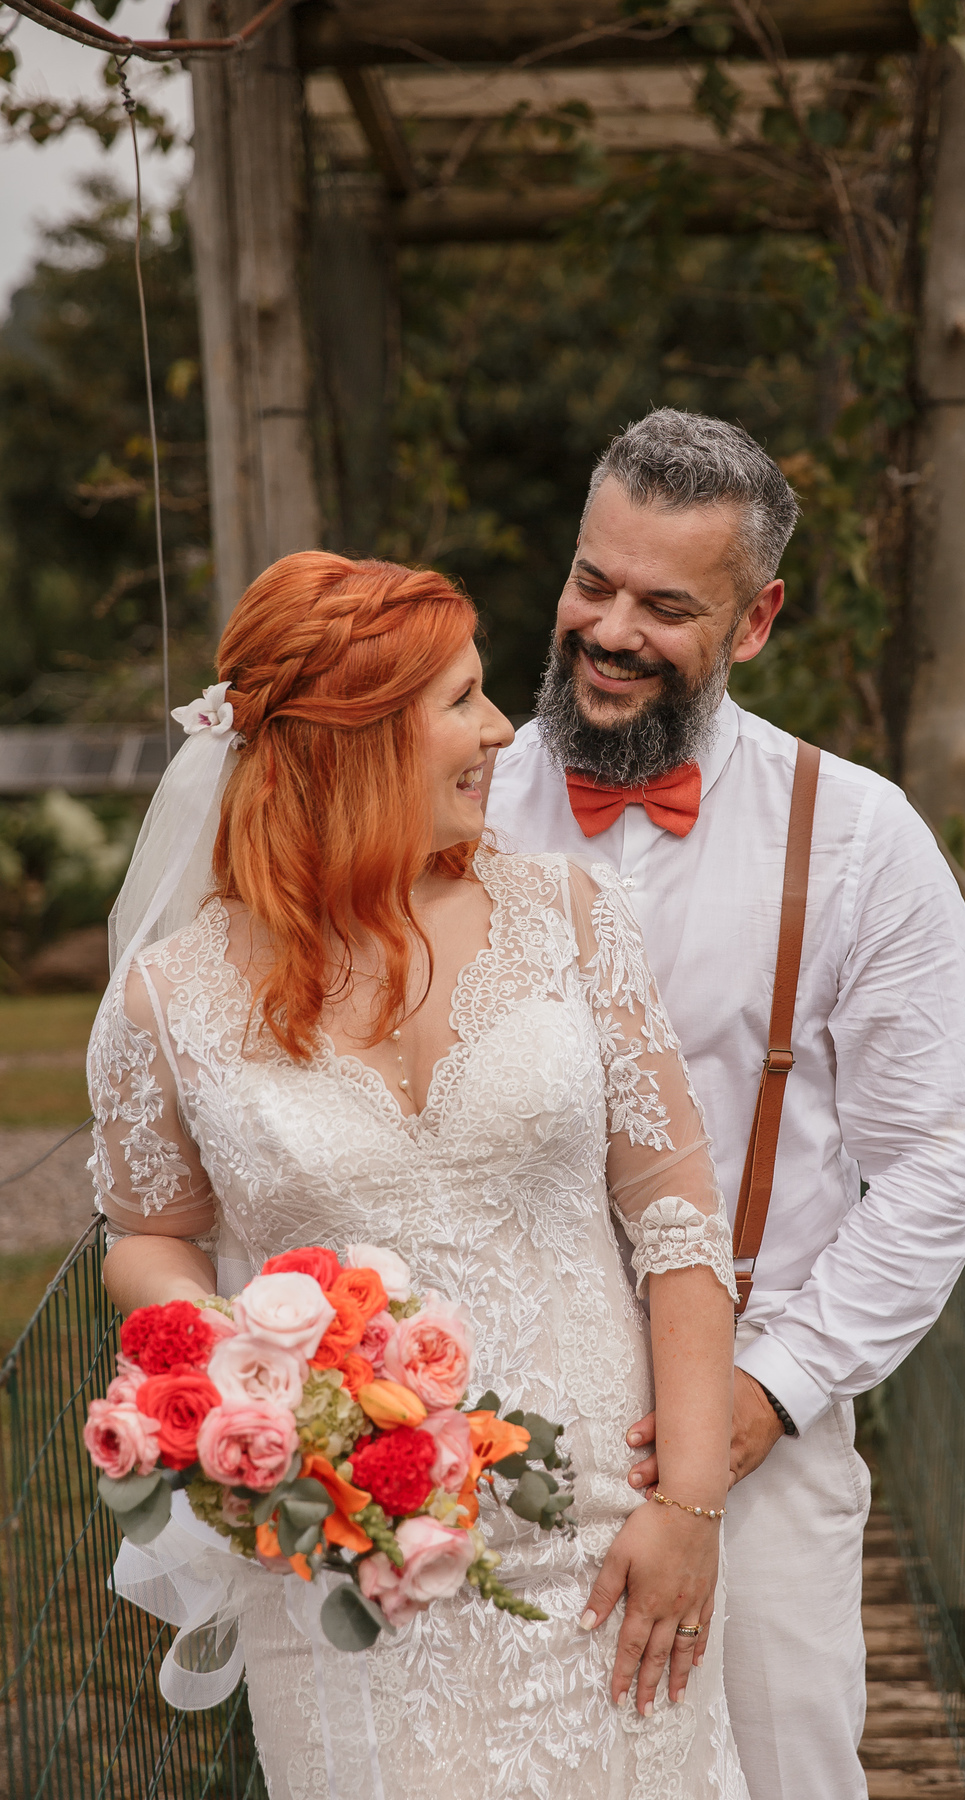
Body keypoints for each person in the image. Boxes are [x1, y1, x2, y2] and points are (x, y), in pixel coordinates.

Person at [87, 551, 750, 1799]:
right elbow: (146, 1234)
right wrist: (257, 1370)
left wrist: (693, 1509)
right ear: (353, 742)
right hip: (350, 1561)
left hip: (605, 1540)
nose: (505, 731)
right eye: (462, 701)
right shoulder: (168, 999)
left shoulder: (572, 916)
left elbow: (678, 1216)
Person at [485, 408, 965, 1800]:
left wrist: (771, 1392)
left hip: (761, 1440)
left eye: (667, 605)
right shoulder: (450, 807)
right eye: (594, 581)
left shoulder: (862, 839)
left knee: (782, 1777)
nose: (610, 629)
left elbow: (938, 1164)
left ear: (756, 619)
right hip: (485, 1430)